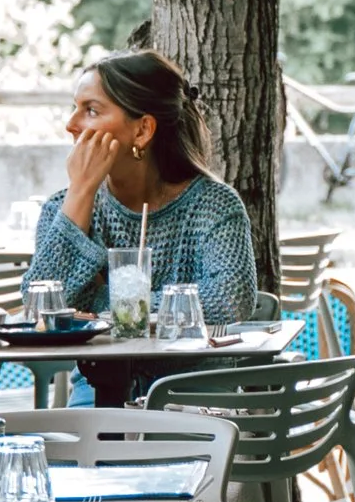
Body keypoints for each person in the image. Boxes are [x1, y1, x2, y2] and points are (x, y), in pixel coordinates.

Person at [29, 50, 258, 322]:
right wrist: (81, 191)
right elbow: (39, 307)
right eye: (74, 108)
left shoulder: (214, 206)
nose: (71, 125)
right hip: (98, 367)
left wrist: (101, 301)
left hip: (197, 366)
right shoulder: (59, 209)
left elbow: (231, 301)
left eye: (91, 110)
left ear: (142, 130)